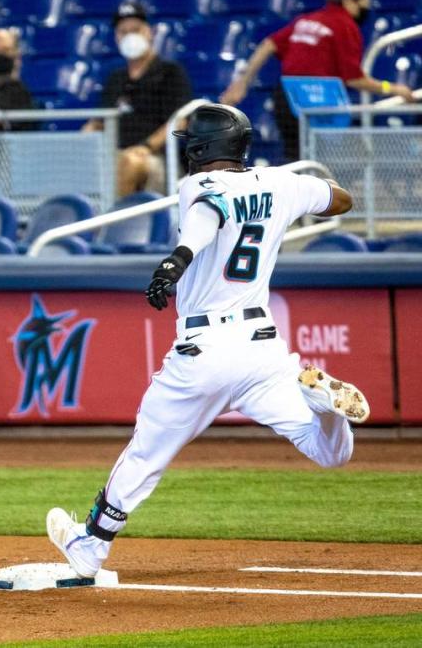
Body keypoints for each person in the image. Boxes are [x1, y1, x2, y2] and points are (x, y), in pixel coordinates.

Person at [45, 104, 370, 579]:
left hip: (206, 347)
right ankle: (320, 400)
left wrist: (176, 261)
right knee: (328, 452)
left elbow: (206, 217)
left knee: (146, 451)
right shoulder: (282, 182)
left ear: (200, 148)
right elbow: (342, 201)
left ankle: (91, 546)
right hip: (264, 350)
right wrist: (292, 190)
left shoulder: (197, 185)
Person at [220, 0, 415, 161]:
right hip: (315, 100)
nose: (368, 3)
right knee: (320, 163)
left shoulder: (307, 20)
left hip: (285, 96)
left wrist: (242, 83)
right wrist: (393, 88)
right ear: (348, 0)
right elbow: (354, 79)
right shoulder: (346, 26)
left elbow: (267, 45)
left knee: (295, 159)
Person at [84, 2, 193, 197]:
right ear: (116, 38)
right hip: (116, 155)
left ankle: (114, 226)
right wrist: (76, 145)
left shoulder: (170, 72)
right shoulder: (115, 78)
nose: (129, 36)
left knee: (130, 162)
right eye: (123, 32)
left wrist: (146, 147)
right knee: (77, 163)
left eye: (135, 30)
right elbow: (98, 122)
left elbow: (181, 120)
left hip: (158, 160)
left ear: (149, 32)